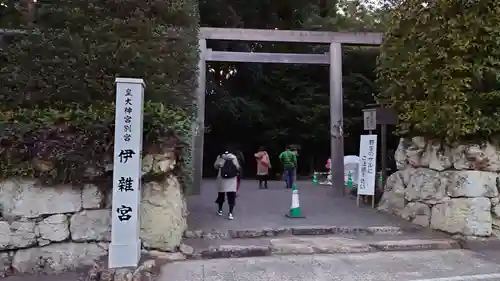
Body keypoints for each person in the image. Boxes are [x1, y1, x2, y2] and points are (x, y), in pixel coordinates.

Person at [214, 148, 240, 220]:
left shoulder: (220, 157)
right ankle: (230, 213)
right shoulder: (234, 157)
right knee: (231, 196)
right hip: (232, 179)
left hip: (222, 179)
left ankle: (220, 210)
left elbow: (216, 166)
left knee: (221, 195)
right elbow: (238, 167)